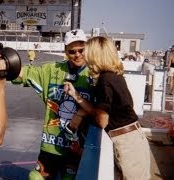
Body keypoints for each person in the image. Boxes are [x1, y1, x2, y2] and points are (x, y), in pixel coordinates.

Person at [64, 36, 151, 180]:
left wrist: (82, 113)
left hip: (127, 143)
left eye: (86, 51)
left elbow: (102, 120)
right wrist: (76, 95)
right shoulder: (113, 76)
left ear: (95, 55)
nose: (83, 55)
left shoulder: (105, 81)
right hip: (131, 139)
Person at [12, 29, 92, 179]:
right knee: (35, 177)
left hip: (77, 147)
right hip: (51, 145)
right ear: (66, 51)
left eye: (81, 50)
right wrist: (6, 65)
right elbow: (23, 74)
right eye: (72, 51)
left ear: (87, 48)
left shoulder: (95, 74)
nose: (77, 54)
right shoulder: (51, 70)